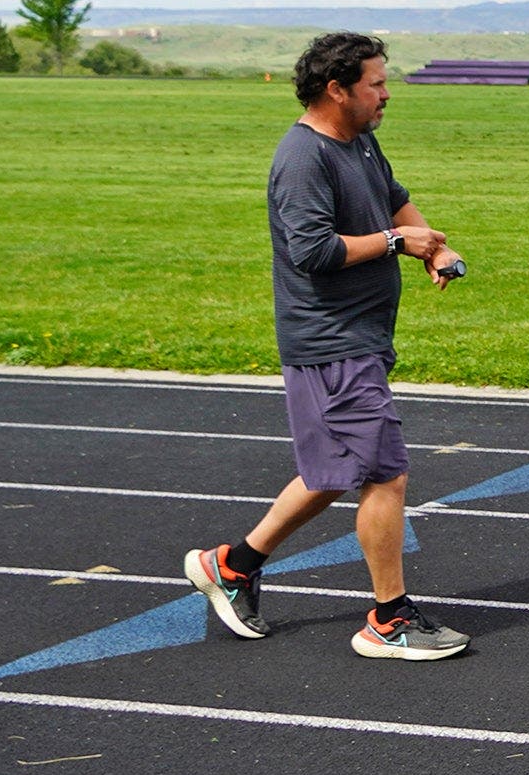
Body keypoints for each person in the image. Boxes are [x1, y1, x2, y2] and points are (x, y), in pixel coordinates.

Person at [183, 32, 470, 658]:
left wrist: (432, 243)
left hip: (359, 336)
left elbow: (394, 200)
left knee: (333, 471)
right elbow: (312, 252)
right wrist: (398, 244)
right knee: (385, 473)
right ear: (337, 90)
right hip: (332, 341)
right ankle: (388, 620)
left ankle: (231, 567)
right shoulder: (302, 158)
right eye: (376, 83)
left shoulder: (359, 141)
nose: (386, 93)